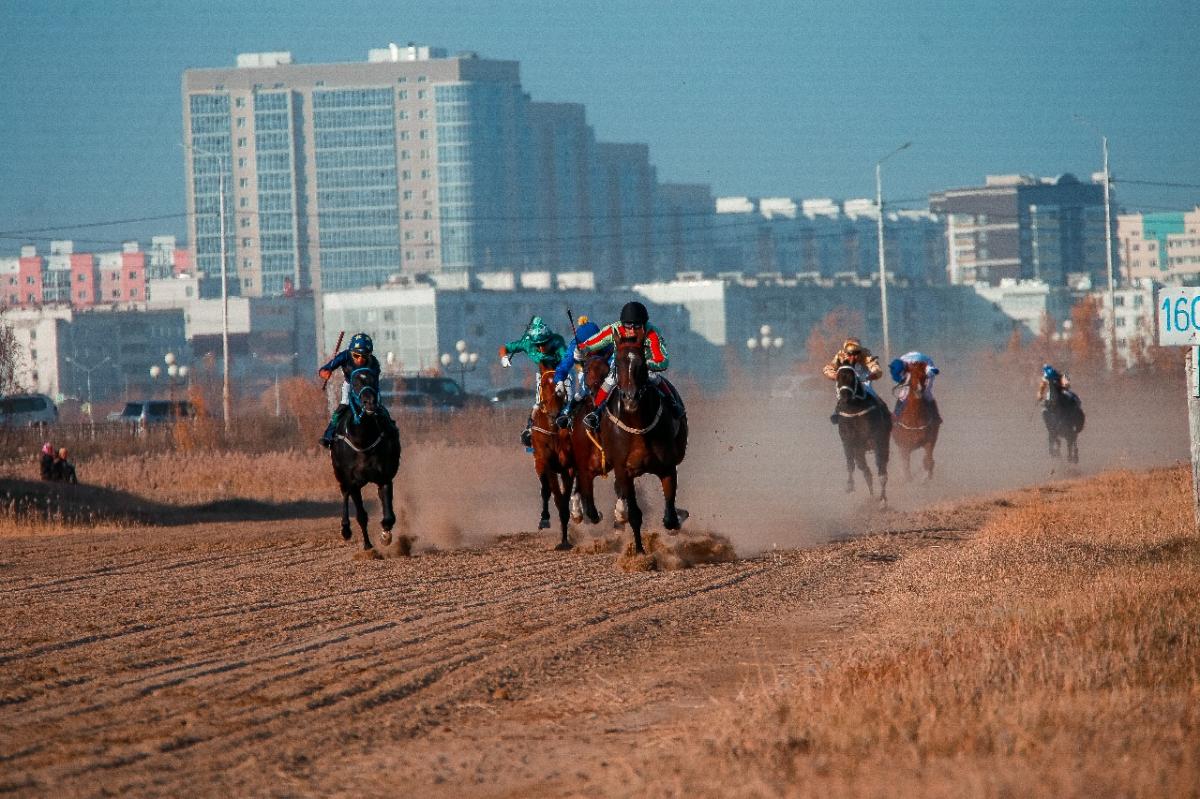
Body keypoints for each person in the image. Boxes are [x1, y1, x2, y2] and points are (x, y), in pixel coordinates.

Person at [575, 301, 682, 431]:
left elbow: (662, 360)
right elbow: (597, 340)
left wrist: (645, 364)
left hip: (644, 364)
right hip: (621, 364)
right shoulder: (614, 329)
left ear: (644, 324)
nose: (632, 330)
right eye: (628, 325)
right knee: (610, 380)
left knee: (653, 377)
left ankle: (672, 403)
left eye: (637, 326)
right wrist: (582, 348)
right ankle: (596, 412)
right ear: (622, 323)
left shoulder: (652, 333)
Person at [316, 332, 398, 448]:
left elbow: (374, 380)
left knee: (379, 408)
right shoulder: (344, 356)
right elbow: (325, 369)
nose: (360, 359)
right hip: (350, 385)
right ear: (351, 353)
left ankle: (390, 431)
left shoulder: (374, 362)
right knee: (343, 406)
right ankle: (328, 436)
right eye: (356, 355)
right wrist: (326, 373)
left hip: (367, 386)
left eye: (364, 356)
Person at [499, 316, 568, 447]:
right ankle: (530, 428)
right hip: (543, 375)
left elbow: (565, 359)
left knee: (569, 396)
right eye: (538, 345)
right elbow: (504, 348)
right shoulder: (527, 343)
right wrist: (504, 358)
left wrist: (561, 379)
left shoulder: (557, 341)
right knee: (538, 403)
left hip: (561, 373)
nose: (542, 347)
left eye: (545, 343)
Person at [552, 315, 607, 428]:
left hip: (605, 371)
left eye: (596, 342)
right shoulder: (575, 346)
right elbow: (564, 365)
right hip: (585, 370)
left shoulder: (606, 341)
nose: (594, 347)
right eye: (589, 344)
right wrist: (559, 381)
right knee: (582, 392)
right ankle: (567, 413)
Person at [822, 337, 887, 422]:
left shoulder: (866, 355)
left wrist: (870, 376)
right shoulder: (840, 355)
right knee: (843, 391)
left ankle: (883, 411)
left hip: (863, 379)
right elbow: (827, 368)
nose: (852, 357)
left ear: (860, 351)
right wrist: (837, 376)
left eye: (856, 353)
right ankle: (837, 411)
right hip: (847, 380)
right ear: (846, 352)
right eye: (849, 354)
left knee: (870, 391)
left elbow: (877, 370)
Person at [889, 351, 944, 424]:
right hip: (909, 367)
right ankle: (896, 414)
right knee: (903, 393)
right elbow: (897, 377)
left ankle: (936, 416)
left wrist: (932, 371)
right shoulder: (899, 362)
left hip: (926, 365)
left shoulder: (920, 364)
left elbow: (931, 370)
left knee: (926, 393)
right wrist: (902, 380)